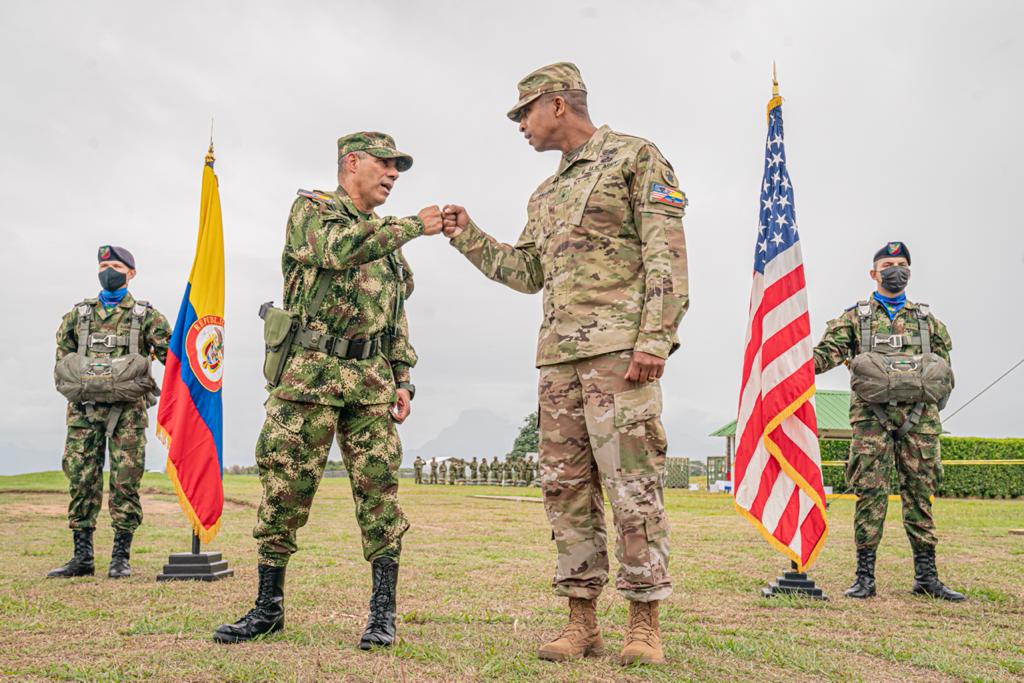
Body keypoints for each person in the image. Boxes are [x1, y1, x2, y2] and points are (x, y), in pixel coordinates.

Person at [441, 62, 688, 665]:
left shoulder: (635, 157)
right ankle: (582, 625)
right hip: (558, 363)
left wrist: (654, 340)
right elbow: (528, 273)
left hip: (619, 358)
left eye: (523, 112)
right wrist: (467, 235)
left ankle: (643, 626)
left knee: (633, 489)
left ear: (556, 104)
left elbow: (666, 253)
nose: (520, 125)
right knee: (567, 492)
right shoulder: (545, 194)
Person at [213, 132, 444, 648]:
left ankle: (381, 615)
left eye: (398, 168)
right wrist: (412, 226)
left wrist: (403, 377)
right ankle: (267, 609)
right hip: (309, 377)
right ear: (352, 163)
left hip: (371, 383)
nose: (393, 175)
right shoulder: (313, 211)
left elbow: (394, 317)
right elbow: (338, 251)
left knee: (381, 495)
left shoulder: (387, 242)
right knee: (284, 494)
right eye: (385, 164)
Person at [813, 241, 964, 602]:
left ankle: (926, 577)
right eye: (887, 264)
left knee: (920, 496)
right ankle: (865, 577)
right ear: (873, 272)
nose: (895, 270)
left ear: (909, 271)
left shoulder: (928, 322)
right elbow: (821, 359)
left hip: (920, 422)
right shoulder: (854, 319)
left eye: (901, 264)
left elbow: (943, 373)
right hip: (871, 421)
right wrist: (784, 359)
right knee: (870, 496)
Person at [50, 245, 171, 579]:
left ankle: (120, 558)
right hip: (83, 413)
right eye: (104, 265)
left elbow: (172, 360)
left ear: (131, 273)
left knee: (125, 483)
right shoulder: (78, 316)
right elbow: (63, 362)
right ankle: (82, 557)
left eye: (116, 265)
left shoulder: (148, 317)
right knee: (80, 479)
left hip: (128, 415)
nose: (109, 271)